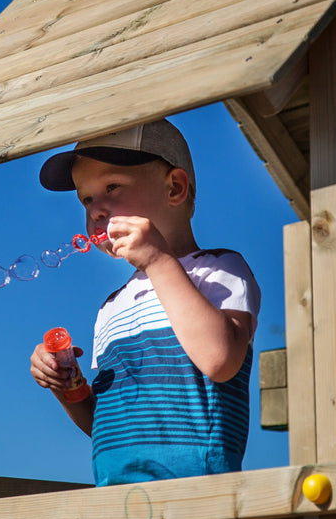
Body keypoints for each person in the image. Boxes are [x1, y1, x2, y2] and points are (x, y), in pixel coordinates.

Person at [30, 118, 260, 486]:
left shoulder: (219, 269)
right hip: (116, 495)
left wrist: (157, 260)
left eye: (112, 187)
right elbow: (106, 424)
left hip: (199, 492)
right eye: (87, 199)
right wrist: (65, 384)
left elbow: (220, 361)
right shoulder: (111, 307)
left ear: (175, 188)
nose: (95, 210)